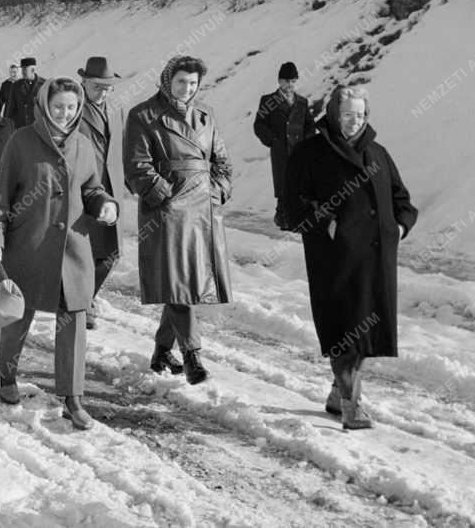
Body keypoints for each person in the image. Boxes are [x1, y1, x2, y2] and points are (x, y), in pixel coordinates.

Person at [0, 78, 118, 430]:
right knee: (17, 318)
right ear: (45, 105)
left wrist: (104, 204)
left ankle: (72, 400)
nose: (65, 113)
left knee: (73, 323)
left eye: (72, 107)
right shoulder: (22, 141)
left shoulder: (84, 145)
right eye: (59, 106)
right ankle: (6, 377)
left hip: (72, 250)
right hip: (28, 247)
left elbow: (93, 187)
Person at [285, 86, 417, 430]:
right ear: (332, 113)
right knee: (345, 328)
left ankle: (337, 394)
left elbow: (402, 198)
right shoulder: (309, 152)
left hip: (377, 260)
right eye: (347, 114)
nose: (354, 121)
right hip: (335, 259)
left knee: (366, 331)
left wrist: (399, 227)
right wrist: (326, 224)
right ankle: (351, 405)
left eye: (360, 114)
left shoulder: (377, 152)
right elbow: (292, 204)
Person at [124, 55, 233, 386]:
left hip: (203, 210)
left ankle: (161, 352)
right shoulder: (143, 115)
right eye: (181, 81)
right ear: (167, 80)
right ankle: (192, 354)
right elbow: (137, 165)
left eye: (193, 83)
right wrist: (165, 196)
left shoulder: (205, 116)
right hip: (167, 213)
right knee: (180, 284)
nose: (187, 88)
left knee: (184, 284)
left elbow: (222, 161)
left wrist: (217, 191)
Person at [76, 57, 126, 330]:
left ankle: (84, 297)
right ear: (84, 82)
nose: (103, 92)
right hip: (83, 189)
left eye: (108, 87)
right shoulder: (72, 107)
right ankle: (82, 304)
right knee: (86, 251)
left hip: (112, 189)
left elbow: (121, 147)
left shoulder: (116, 108)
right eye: (97, 87)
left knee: (112, 253)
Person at [253, 61, 316, 229]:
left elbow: (310, 124)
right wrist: (272, 141)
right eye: (286, 81)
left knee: (298, 184)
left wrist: (307, 142)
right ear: (279, 81)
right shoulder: (268, 100)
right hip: (280, 150)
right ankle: (282, 218)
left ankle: (296, 219)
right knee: (283, 185)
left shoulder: (302, 102)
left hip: (299, 150)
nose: (290, 85)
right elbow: (259, 124)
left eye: (293, 81)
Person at [9, 57, 46, 128]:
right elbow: (11, 110)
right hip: (20, 128)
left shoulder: (44, 85)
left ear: (33, 69)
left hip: (38, 128)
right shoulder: (16, 85)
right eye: (22, 69)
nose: (22, 72)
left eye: (25, 69)